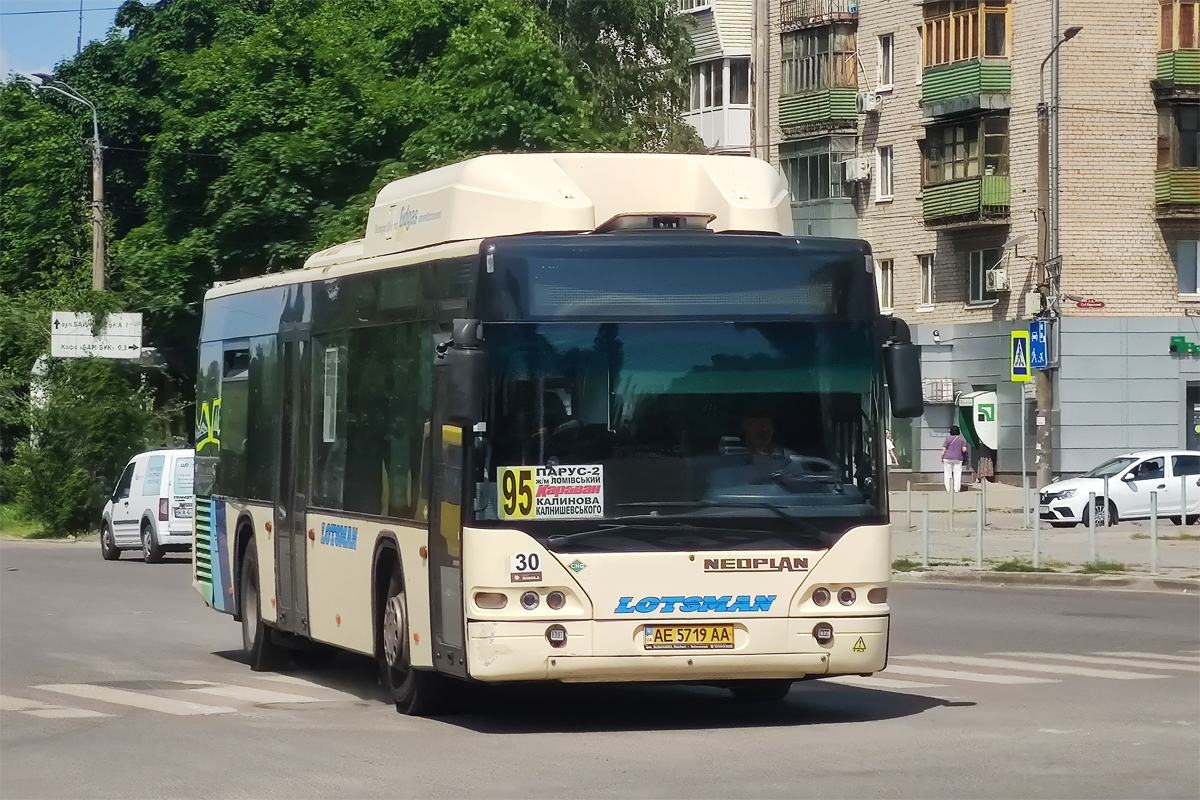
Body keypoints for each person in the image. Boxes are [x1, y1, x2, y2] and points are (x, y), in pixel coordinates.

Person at [942, 425, 968, 493]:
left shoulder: (948, 439)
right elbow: (964, 450)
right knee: (957, 474)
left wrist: (942, 457)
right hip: (958, 458)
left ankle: (948, 489)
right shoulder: (962, 439)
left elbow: (944, 449)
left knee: (947, 473)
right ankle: (956, 489)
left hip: (947, 458)